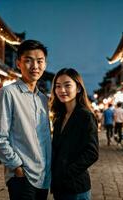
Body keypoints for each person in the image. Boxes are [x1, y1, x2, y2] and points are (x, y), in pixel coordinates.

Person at [0, 40, 51, 200]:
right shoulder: (8, 93)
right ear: (19, 63)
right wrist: (17, 167)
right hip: (22, 176)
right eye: (28, 60)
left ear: (45, 64)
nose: (35, 66)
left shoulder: (43, 99)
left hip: (44, 177)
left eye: (40, 61)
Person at [50, 68, 99, 200]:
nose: (62, 90)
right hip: (59, 185)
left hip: (76, 186)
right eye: (58, 86)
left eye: (67, 85)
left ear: (78, 88)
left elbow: (92, 153)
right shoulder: (59, 117)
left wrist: (67, 173)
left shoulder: (85, 116)